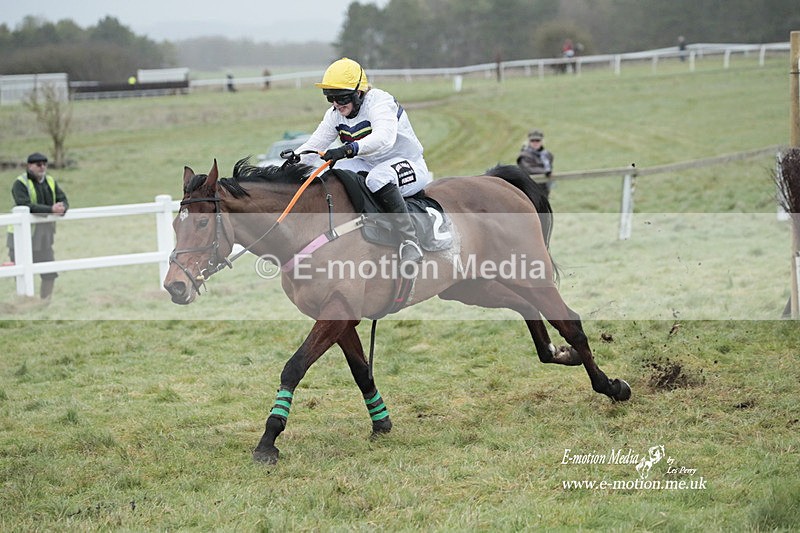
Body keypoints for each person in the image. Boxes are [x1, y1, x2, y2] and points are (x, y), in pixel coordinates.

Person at [295, 57, 431, 264]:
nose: (335, 104)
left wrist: (348, 149)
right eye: (330, 97)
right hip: (369, 163)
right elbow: (314, 147)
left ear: (358, 93)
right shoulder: (334, 115)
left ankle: (410, 242)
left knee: (377, 178)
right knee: (333, 173)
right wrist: (292, 161)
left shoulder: (380, 102)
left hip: (407, 163)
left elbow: (384, 139)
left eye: (340, 98)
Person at [7, 152, 69, 299]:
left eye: (45, 164)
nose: (42, 167)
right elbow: (26, 206)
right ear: (30, 166)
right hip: (21, 237)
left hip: (44, 236)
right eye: (38, 164)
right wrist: (51, 210)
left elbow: (62, 198)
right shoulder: (20, 183)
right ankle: (25, 303)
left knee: (50, 273)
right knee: (21, 274)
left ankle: (44, 304)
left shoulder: (50, 181)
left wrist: (63, 208)